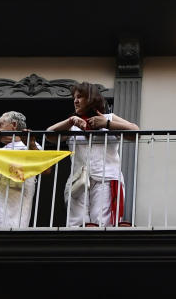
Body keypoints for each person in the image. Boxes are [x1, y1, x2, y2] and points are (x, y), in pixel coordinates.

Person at [46, 82, 139, 229]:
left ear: (91, 98)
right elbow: (49, 135)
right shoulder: (73, 124)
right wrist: (71, 121)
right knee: (77, 222)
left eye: (80, 97)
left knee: (102, 222)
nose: (75, 101)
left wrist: (107, 124)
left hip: (106, 178)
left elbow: (135, 132)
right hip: (79, 179)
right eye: (74, 97)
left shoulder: (108, 117)